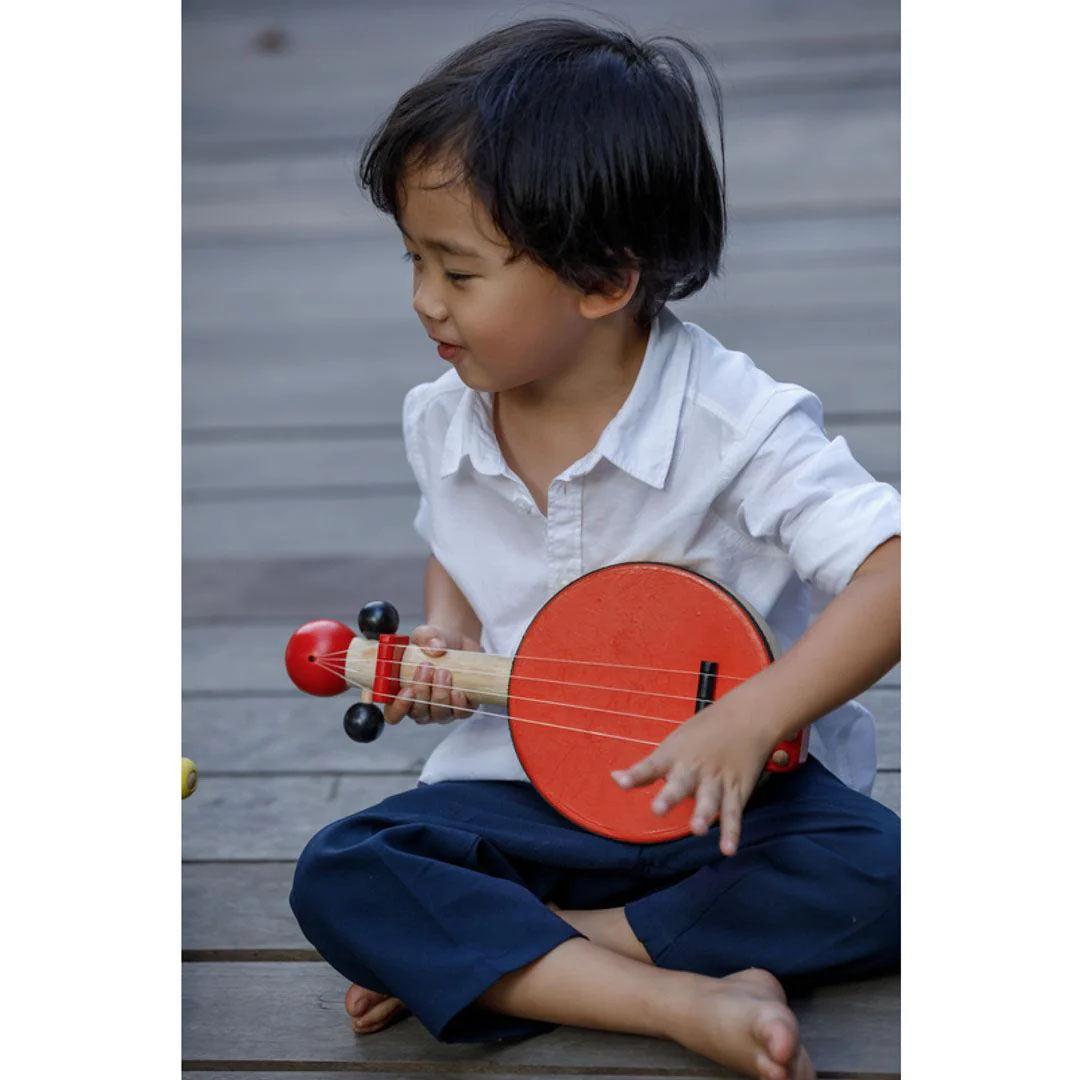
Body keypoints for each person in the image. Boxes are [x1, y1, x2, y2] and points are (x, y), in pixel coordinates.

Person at [289, 18, 899, 1080]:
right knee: (344, 870)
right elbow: (461, 551)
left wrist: (750, 718)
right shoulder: (445, 418)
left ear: (604, 280)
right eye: (413, 259)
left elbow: (904, 572)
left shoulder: (734, 421)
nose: (425, 299)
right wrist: (448, 634)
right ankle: (683, 996)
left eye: (461, 271)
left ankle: (519, 951)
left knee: (893, 874)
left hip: (728, 804)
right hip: (531, 791)